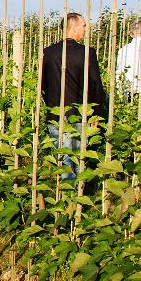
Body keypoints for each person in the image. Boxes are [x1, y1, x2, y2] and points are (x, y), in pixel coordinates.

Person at [39, 13, 109, 180]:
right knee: (78, 159)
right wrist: (96, 113)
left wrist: (51, 107)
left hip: (56, 115)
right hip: (79, 114)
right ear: (74, 28)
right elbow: (95, 85)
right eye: (84, 26)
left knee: (64, 159)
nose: (85, 29)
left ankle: (66, 197)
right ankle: (75, 197)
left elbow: (43, 86)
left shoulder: (48, 53)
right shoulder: (86, 53)